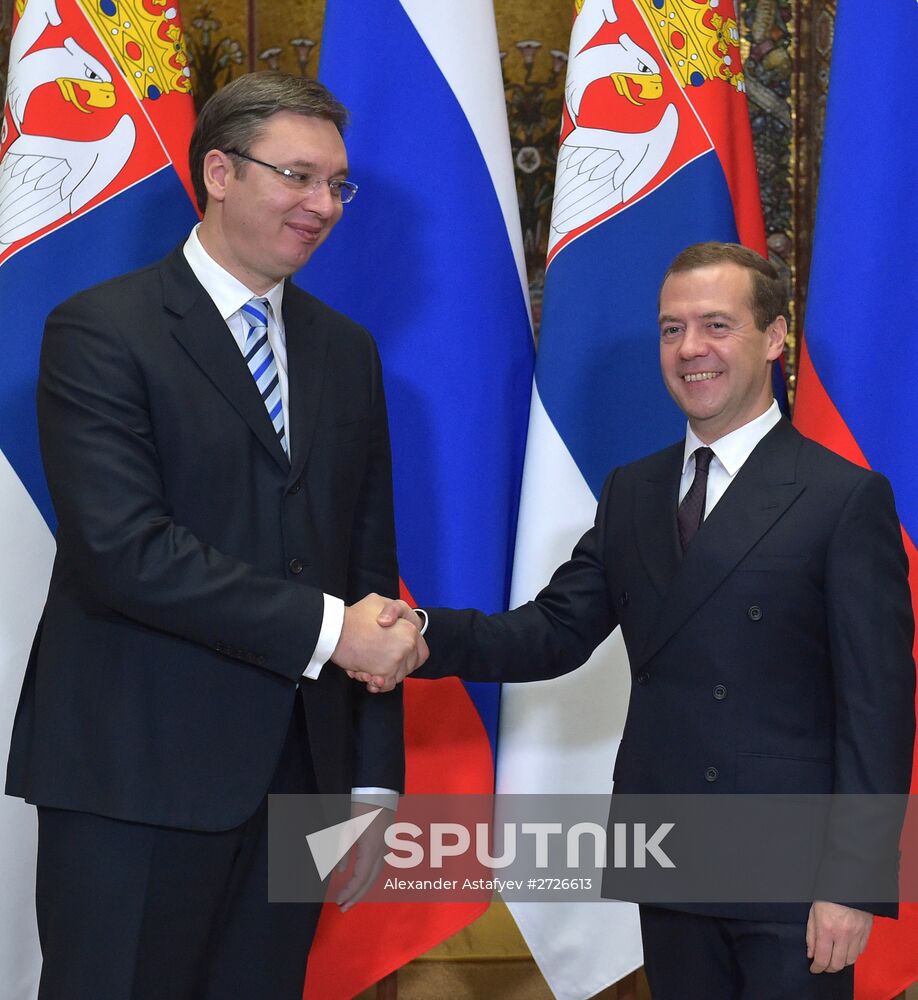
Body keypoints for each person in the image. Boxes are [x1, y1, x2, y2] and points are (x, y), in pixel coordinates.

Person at [362, 243, 916, 999]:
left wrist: (852, 883)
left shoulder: (843, 497)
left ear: (777, 337)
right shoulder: (634, 490)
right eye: (671, 329)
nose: (691, 349)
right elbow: (552, 631)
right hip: (673, 853)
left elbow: (876, 707)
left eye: (717, 325)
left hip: (794, 874)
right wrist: (423, 632)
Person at [5, 72, 425, 1000]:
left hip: (294, 784)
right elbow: (125, 550)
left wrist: (369, 780)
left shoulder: (343, 348)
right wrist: (329, 631)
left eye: (337, 185)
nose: (323, 206)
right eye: (299, 177)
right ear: (221, 172)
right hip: (134, 777)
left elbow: (366, 566)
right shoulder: (100, 331)